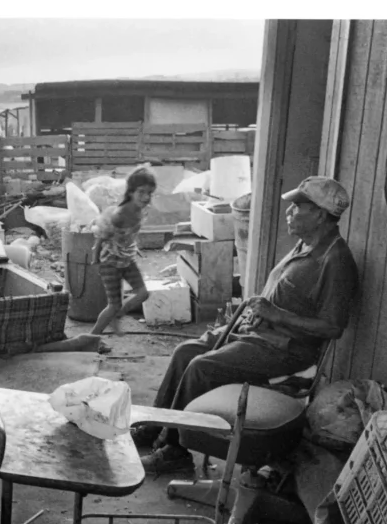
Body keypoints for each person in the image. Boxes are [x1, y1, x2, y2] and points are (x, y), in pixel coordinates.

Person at [135, 176, 359, 474]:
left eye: (297, 207)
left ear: (319, 214)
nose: (290, 213)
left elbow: (333, 328)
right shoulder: (305, 246)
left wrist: (277, 315)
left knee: (202, 367)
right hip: (259, 335)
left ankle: (175, 448)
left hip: (285, 351)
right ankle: (155, 426)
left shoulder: (336, 260)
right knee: (185, 351)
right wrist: (260, 311)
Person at [89, 168, 156, 335]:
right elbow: (101, 238)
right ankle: (92, 337)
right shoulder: (119, 215)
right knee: (113, 305)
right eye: (141, 192)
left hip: (126, 260)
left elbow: (130, 236)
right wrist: (95, 261)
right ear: (131, 192)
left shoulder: (139, 211)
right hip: (110, 263)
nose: (146, 197)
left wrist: (134, 248)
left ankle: (117, 316)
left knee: (143, 293)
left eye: (149, 193)